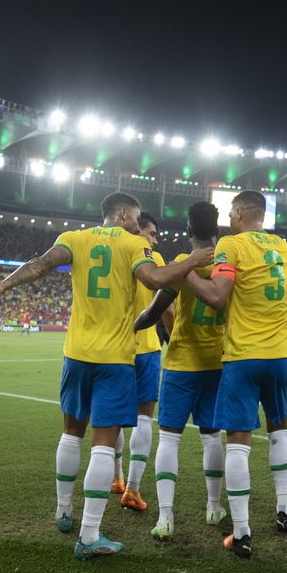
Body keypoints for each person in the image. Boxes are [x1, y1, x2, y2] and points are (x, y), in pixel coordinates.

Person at [0, 192, 212, 560]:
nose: (138, 226)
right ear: (122, 214)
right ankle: (89, 536)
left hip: (76, 355)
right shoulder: (133, 242)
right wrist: (192, 261)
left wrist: (2, 286)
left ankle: (63, 510)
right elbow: (154, 280)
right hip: (114, 359)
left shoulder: (74, 238)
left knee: (71, 434)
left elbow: (40, 264)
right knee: (104, 444)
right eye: (135, 219)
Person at [185, 190, 287, 560]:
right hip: (281, 354)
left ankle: (242, 532)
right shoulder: (286, 249)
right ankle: (284, 512)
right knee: (279, 429)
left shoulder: (231, 246)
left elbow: (218, 297)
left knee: (237, 440)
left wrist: (186, 272)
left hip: (244, 355)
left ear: (236, 213)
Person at [132, 201, 226, 540]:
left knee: (169, 438)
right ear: (217, 230)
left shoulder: (178, 267)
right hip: (217, 361)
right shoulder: (228, 264)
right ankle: (214, 507)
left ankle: (166, 517)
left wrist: (132, 325)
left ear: (188, 231)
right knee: (212, 436)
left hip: (181, 362)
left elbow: (155, 313)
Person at [117, 212, 169, 512]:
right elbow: (167, 309)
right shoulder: (154, 259)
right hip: (146, 347)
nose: (155, 239)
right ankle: (133, 489)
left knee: (111, 417)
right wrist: (174, 339)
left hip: (115, 347)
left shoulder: (116, 254)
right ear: (138, 232)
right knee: (144, 417)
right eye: (151, 233)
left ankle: (116, 478)